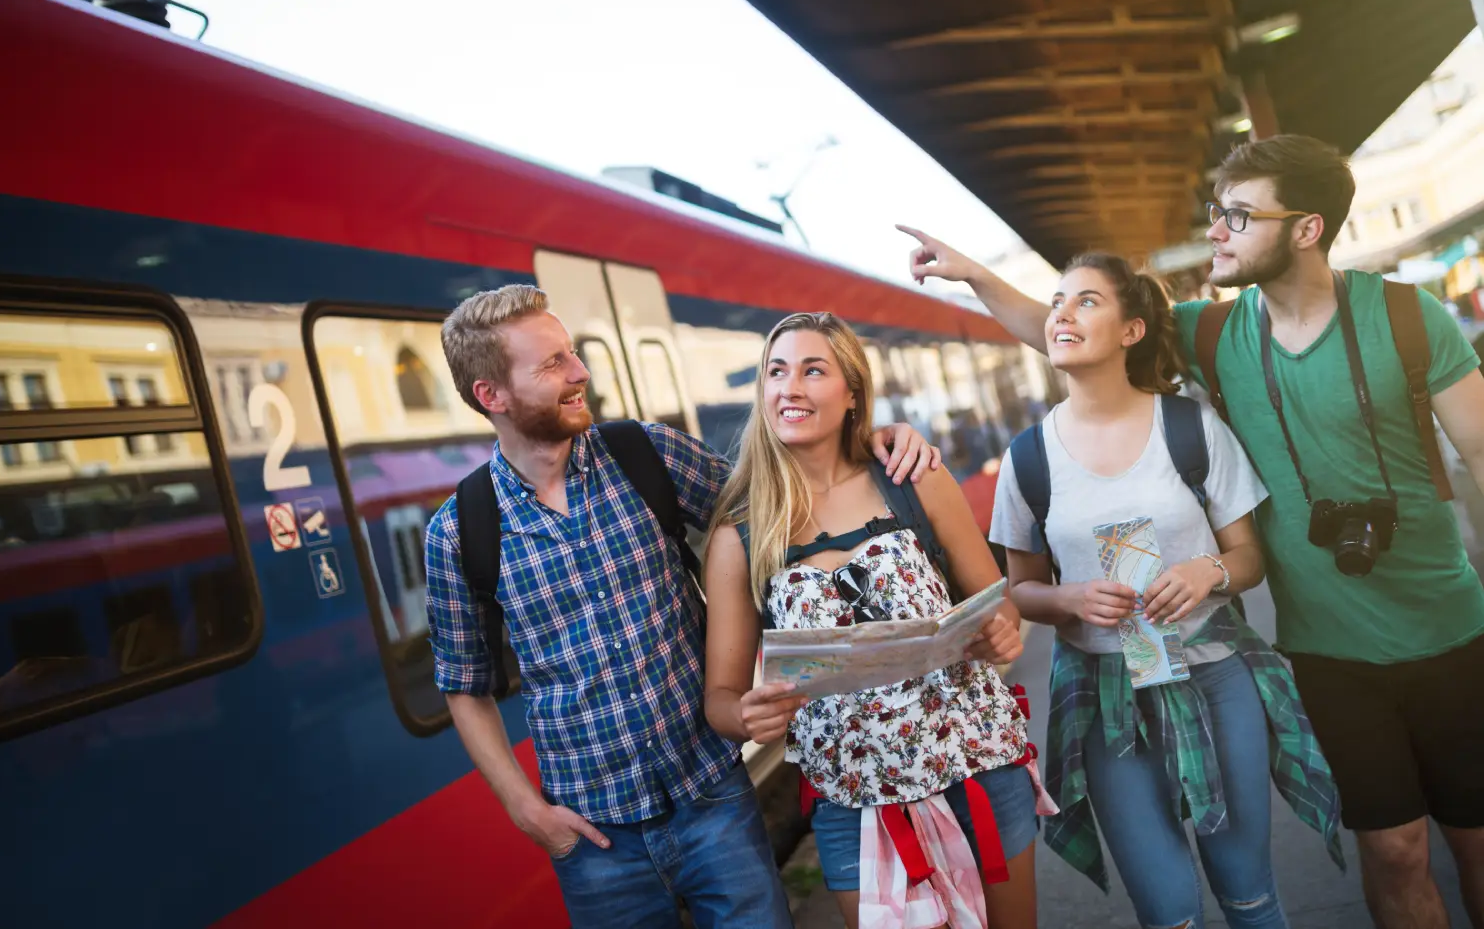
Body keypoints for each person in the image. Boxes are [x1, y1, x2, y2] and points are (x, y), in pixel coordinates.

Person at [901, 133, 1484, 929]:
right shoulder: (1212, 335)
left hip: (1455, 630)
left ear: (1306, 228)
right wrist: (973, 278)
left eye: (1237, 215)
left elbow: (1481, 448)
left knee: (1476, 843)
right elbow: (1070, 326)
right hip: (1328, 652)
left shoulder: (1407, 317)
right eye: (1216, 211)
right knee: (1397, 852)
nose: (1215, 229)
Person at [423, 285, 942, 929]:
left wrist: (869, 441)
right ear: (491, 396)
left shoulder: (645, 454)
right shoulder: (460, 531)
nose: (580, 372)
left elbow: (784, 510)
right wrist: (527, 811)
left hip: (712, 797)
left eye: (572, 354)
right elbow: (465, 686)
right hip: (592, 838)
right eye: (552, 364)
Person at [988, 254, 1342, 928]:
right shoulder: (1028, 456)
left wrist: (1207, 571)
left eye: (1086, 300)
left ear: (1132, 330)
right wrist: (1070, 600)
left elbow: (1248, 557)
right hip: (1105, 698)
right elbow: (1023, 588)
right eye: (1057, 300)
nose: (1061, 312)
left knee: (1250, 893)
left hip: (1215, 679)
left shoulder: (1188, 426)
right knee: (1169, 912)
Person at [700, 310, 1046, 929]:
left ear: (851, 392)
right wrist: (746, 716)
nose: (790, 388)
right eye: (776, 372)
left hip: (979, 770)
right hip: (853, 804)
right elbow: (721, 701)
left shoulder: (912, 479)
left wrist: (998, 629)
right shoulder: (742, 534)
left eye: (813, 370)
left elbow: (1000, 604)